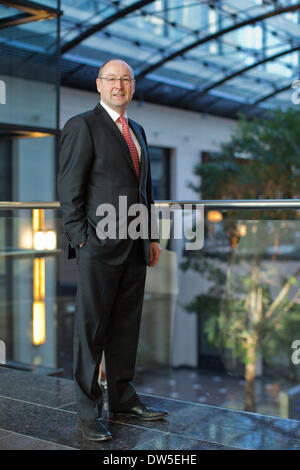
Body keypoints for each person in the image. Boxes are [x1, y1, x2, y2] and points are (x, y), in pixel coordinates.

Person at [57, 59, 168, 441]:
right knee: (91, 332)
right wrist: (81, 238)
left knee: (125, 329)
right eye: (111, 79)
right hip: (97, 248)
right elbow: (69, 189)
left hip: (136, 245)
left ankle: (124, 399)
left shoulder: (136, 130)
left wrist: (151, 236)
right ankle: (89, 414)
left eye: (125, 80)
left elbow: (145, 192)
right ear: (99, 86)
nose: (118, 86)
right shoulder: (82, 126)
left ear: (133, 86)